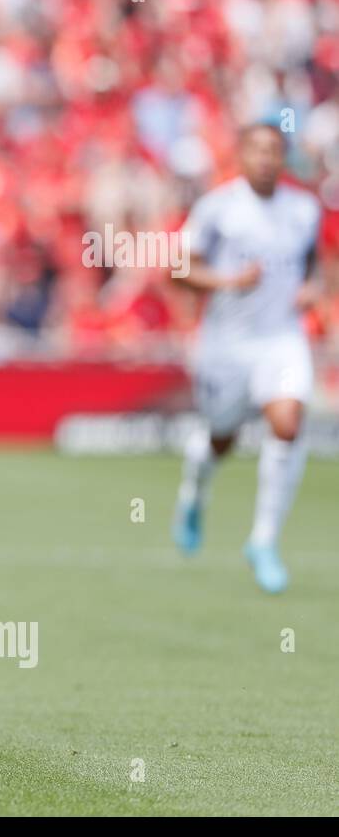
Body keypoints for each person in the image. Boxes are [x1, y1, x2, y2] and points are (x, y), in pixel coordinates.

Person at [172, 123, 325, 593]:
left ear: (284, 157)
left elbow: (314, 264)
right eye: (256, 149)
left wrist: (312, 288)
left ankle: (263, 540)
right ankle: (194, 494)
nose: (265, 158)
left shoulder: (303, 209)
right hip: (227, 344)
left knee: (288, 425)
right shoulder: (218, 208)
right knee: (222, 439)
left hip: (281, 338)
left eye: (273, 150)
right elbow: (179, 270)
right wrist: (229, 282)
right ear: (239, 156)